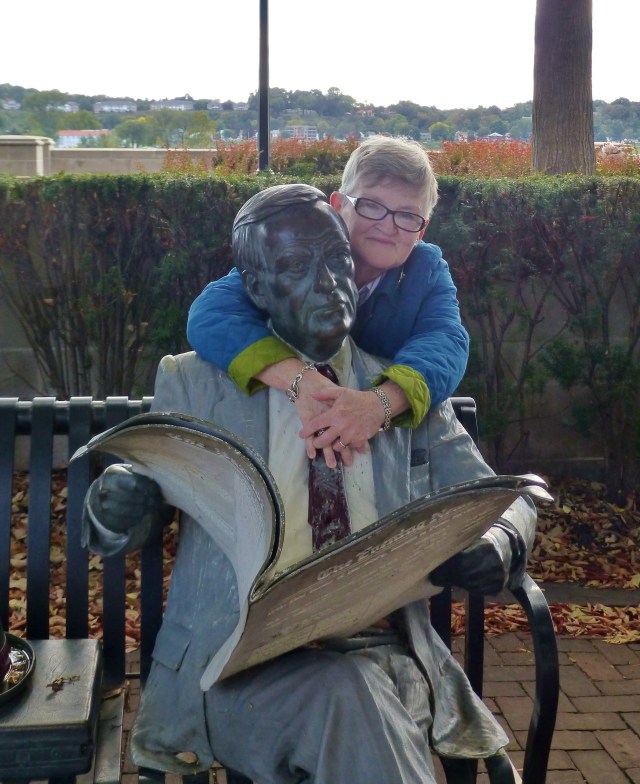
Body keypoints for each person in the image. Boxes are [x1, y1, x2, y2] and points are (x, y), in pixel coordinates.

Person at [83, 184, 535, 784]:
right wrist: (117, 502)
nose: (328, 282)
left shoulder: (397, 390)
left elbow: (503, 499)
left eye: (338, 260)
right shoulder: (197, 384)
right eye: (297, 266)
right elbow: (131, 510)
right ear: (258, 288)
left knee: (359, 692)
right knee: (349, 698)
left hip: (392, 657)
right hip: (236, 671)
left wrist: (499, 543)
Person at [187, 136, 469, 468]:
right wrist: (301, 381)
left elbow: (445, 341)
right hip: (286, 433)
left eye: (408, 216)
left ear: (421, 231)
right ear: (339, 205)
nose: (387, 225)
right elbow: (211, 314)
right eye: (372, 206)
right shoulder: (305, 254)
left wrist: (379, 404)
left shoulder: (427, 271)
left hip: (375, 450)